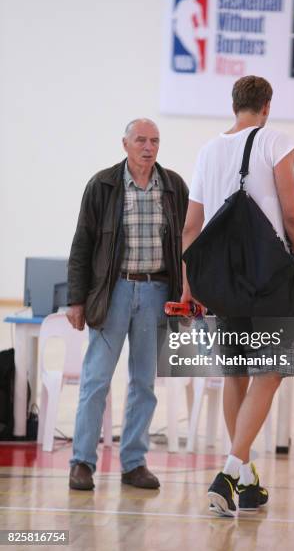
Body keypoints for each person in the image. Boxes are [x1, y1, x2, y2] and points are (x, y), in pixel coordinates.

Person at [181, 75, 294, 516]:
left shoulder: (208, 150)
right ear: (267, 105)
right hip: (270, 277)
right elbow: (292, 215)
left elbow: (191, 228)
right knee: (270, 373)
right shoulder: (275, 140)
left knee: (236, 374)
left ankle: (245, 480)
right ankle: (228, 470)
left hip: (223, 281)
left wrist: (190, 287)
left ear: (234, 103)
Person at [67, 118, 188, 491]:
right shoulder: (102, 184)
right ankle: (82, 462)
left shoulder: (174, 186)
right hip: (112, 292)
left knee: (144, 383)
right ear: (125, 144)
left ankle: (134, 463)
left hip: (156, 293)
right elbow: (82, 244)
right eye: (140, 140)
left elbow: (189, 244)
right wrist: (76, 299)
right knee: (96, 380)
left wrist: (187, 293)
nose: (148, 147)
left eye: (154, 141)